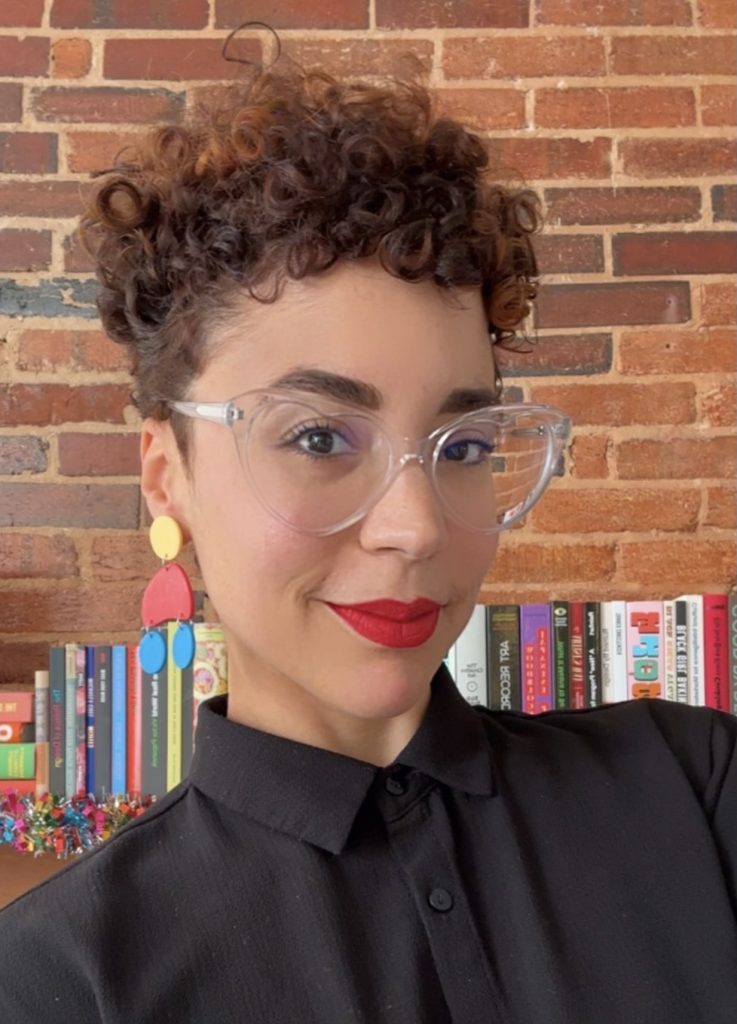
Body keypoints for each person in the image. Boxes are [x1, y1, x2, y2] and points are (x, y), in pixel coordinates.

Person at [1, 54, 736, 1024]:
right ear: (163, 468)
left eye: (463, 443)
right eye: (316, 437)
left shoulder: (690, 788)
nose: (416, 526)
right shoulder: (62, 978)